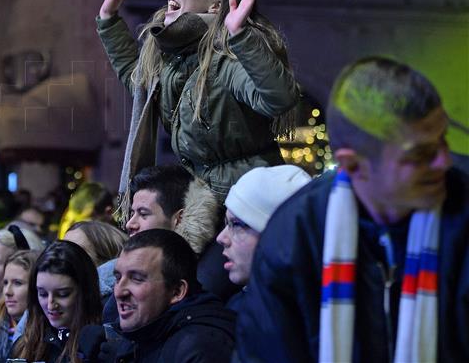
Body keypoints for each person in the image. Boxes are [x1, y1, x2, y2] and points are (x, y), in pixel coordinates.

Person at [236, 57, 469, 362]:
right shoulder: (293, 238)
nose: (444, 161)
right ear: (353, 164)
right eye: (421, 154)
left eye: (443, 140)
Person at [95, 0, 299, 208]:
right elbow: (138, 81)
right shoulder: (174, 59)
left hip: (246, 203)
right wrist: (109, 17)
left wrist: (240, 35)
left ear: (215, 6)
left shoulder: (227, 58)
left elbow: (279, 98)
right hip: (202, 200)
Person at [94, 165, 229, 320]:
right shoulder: (111, 273)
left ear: (179, 219)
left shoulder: (206, 277)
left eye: (143, 214)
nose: (129, 224)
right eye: (132, 213)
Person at [89, 229, 235, 362]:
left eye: (137, 279)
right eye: (118, 278)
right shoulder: (142, 332)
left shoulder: (200, 348)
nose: (119, 292)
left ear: (177, 291)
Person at [214, 165, 310, 310]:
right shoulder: (239, 308)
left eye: (237, 224)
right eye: (226, 223)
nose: (221, 238)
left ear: (277, 236)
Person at [13, 241, 103, 363]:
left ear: (86, 292)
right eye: (43, 294)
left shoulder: (103, 346)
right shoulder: (23, 346)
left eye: (62, 294)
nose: (51, 305)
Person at [0, 250, 39, 363]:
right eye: (5, 283)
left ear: (37, 287)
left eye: (17, 283)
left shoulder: (49, 332)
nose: (8, 292)